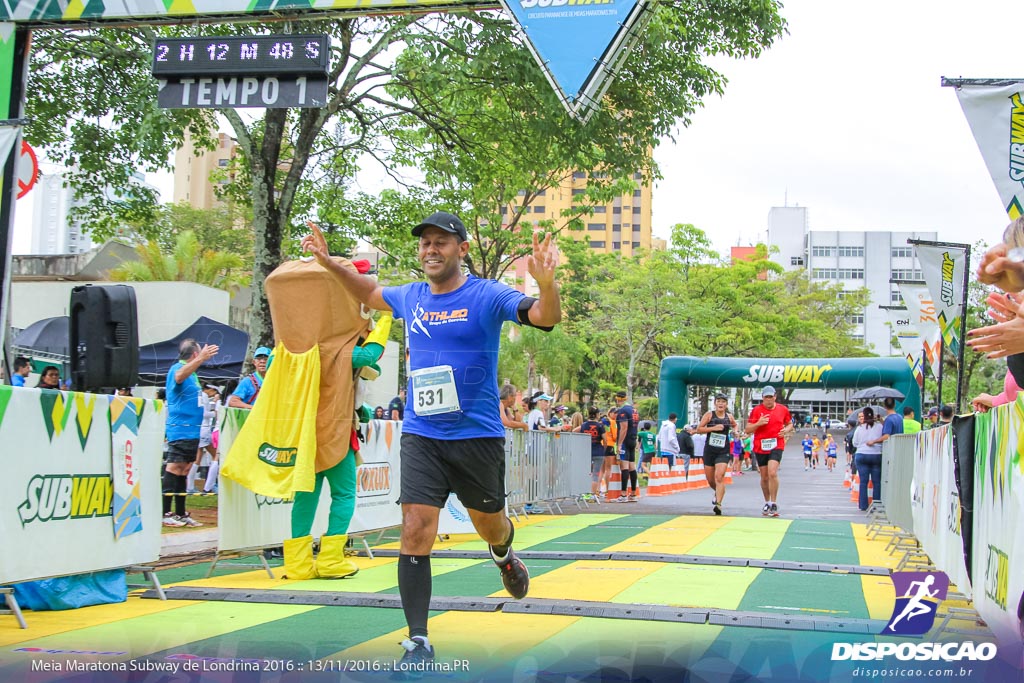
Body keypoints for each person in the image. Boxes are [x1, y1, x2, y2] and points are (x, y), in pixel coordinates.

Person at [301, 211, 561, 666]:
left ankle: (502, 553)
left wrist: (546, 284)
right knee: (415, 529)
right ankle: (418, 638)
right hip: (422, 433)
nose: (431, 250)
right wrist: (328, 263)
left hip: (476, 435)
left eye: (441, 242)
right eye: (425, 243)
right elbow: (368, 292)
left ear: (462, 249)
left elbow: (544, 316)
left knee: (490, 524)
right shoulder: (411, 296)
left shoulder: (486, 294)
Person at [163, 339, 218, 527]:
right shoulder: (177, 368)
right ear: (194, 354)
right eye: (199, 354)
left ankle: (180, 512)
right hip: (180, 427)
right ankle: (165, 512)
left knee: (185, 469)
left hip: (193, 429)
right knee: (174, 468)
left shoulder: (193, 373)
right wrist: (201, 359)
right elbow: (178, 377)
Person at [745, 385, 793, 518]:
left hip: (776, 444)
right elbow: (748, 429)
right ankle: (767, 502)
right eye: (766, 397)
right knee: (764, 477)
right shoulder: (756, 411)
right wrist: (758, 423)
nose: (768, 400)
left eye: (771, 397)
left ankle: (774, 502)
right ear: (762, 398)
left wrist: (786, 430)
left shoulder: (783, 409)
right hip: (760, 446)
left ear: (775, 397)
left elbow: (790, 423)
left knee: (772, 472)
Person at [696, 393, 737, 515]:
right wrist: (713, 428)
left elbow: (735, 425)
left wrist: (735, 432)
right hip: (709, 450)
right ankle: (718, 491)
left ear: (726, 404)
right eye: (718, 401)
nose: (721, 404)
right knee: (711, 480)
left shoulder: (729, 417)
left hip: (723, 451)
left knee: (719, 476)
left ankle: (718, 504)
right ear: (715, 403)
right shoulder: (709, 415)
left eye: (723, 402)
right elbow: (699, 429)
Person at [187, 383, 221, 494]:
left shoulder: (198, 396)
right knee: (216, 456)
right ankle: (207, 485)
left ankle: (193, 486)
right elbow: (203, 413)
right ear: (210, 389)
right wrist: (216, 413)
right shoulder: (203, 397)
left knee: (201, 457)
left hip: (199, 428)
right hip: (204, 429)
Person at [852, 406, 883, 511]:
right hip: (876, 455)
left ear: (864, 416)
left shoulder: (859, 428)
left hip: (861, 455)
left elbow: (855, 443)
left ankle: (863, 505)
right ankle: (876, 504)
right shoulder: (879, 427)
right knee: (876, 482)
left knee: (863, 482)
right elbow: (883, 438)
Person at [612, 390, 640, 503]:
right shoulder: (634, 410)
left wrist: (619, 444)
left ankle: (623, 494)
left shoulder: (623, 411)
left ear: (618, 399)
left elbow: (624, 427)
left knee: (624, 467)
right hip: (633, 439)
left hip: (625, 440)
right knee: (632, 466)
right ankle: (633, 494)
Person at [580, 408, 606, 499]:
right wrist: (604, 449)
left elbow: (575, 431)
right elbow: (605, 440)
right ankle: (593, 494)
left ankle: (585, 492)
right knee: (596, 474)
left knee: (586, 473)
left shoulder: (583, 425)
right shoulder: (600, 426)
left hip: (586, 452)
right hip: (598, 451)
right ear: (597, 414)